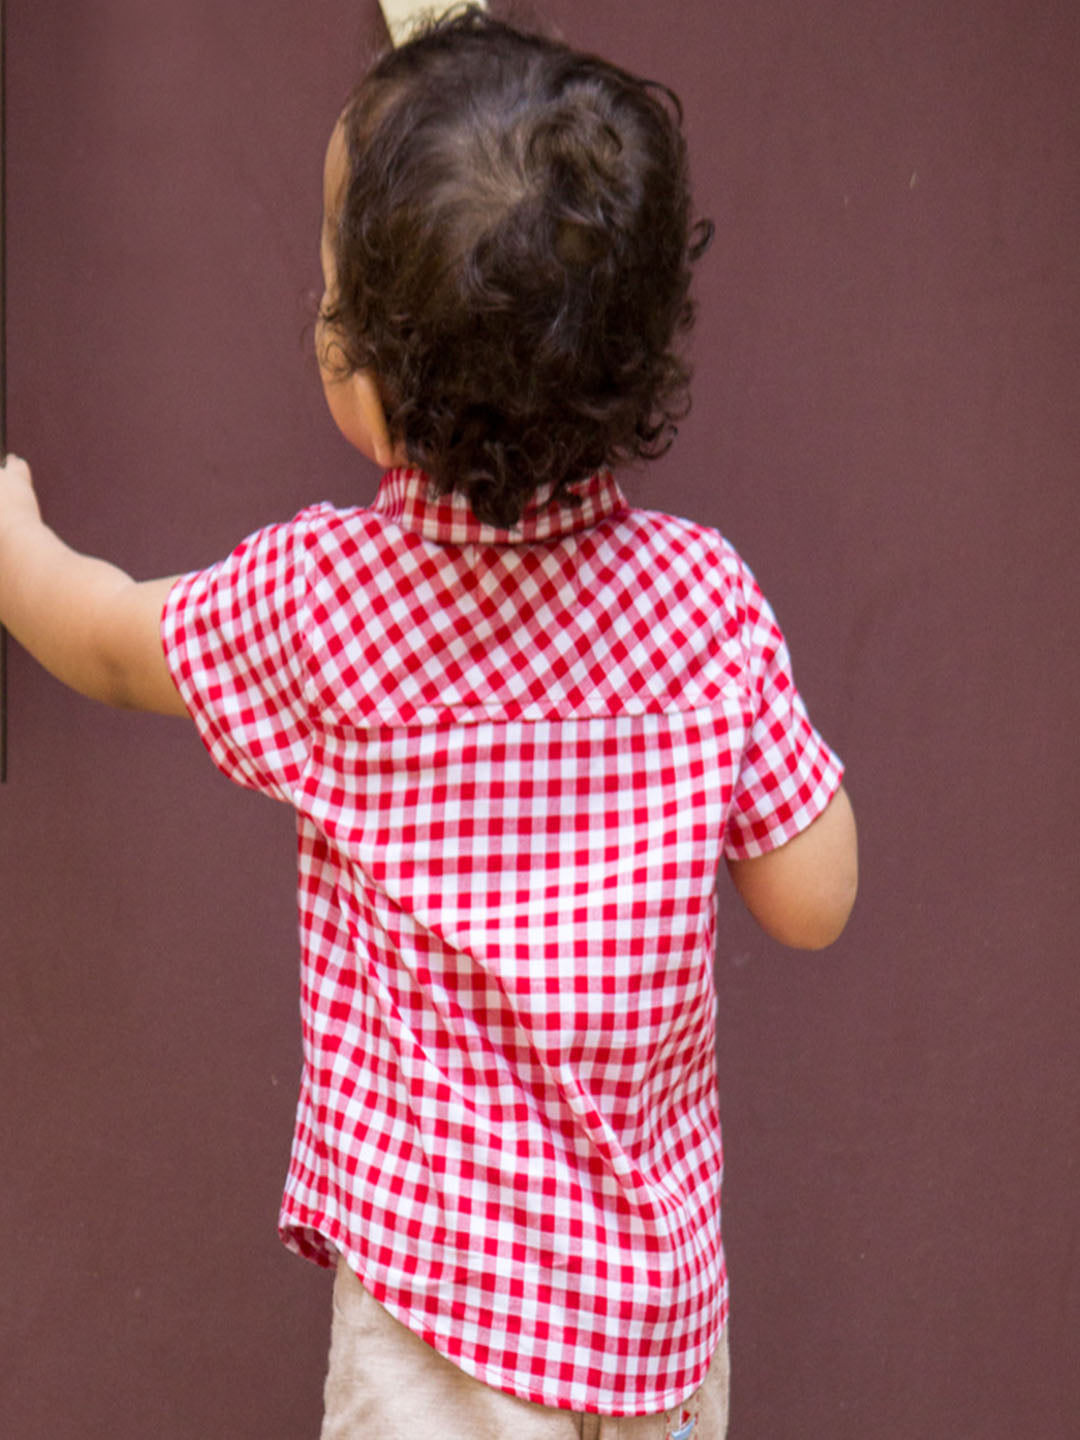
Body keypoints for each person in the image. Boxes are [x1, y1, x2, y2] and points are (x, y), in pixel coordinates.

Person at [0, 10, 857, 1438]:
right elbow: (813, 899)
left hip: (442, 1326)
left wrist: (13, 544)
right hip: (653, 1332)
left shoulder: (327, 606)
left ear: (376, 384)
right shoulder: (705, 605)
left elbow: (105, 640)